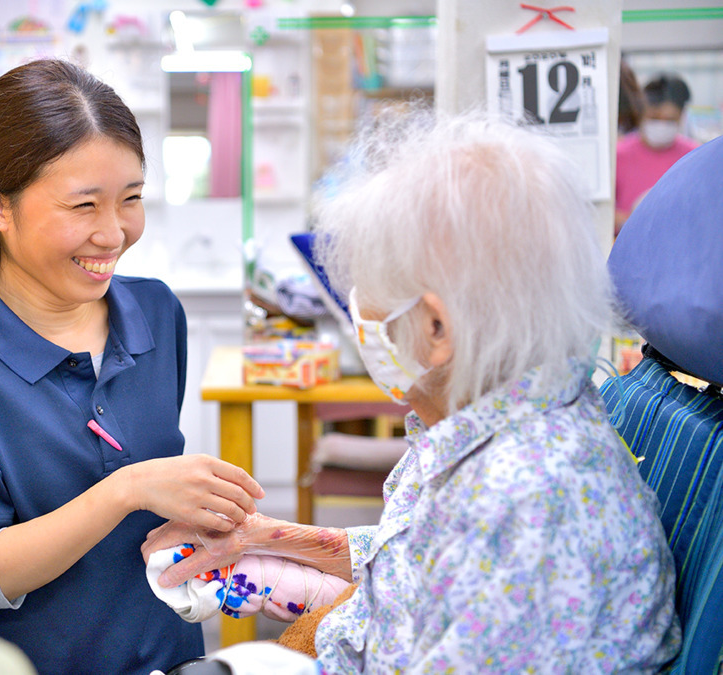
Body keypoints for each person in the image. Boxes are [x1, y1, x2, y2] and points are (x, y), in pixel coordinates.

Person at [144, 111, 681, 673]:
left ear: (435, 329)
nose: (357, 313)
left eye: (364, 292)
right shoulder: (493, 432)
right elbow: (414, 559)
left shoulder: (530, 500)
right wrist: (266, 539)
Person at [0, 58, 265, 675]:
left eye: (130, 200)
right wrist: (128, 489)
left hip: (171, 659)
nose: (113, 234)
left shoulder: (157, 312)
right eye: (83, 206)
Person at [615, 72, 699, 234]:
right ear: (641, 113)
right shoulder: (618, 155)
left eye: (669, 120)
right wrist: (630, 222)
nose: (661, 125)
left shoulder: (694, 157)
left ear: (681, 116)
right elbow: (602, 211)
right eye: (654, 118)